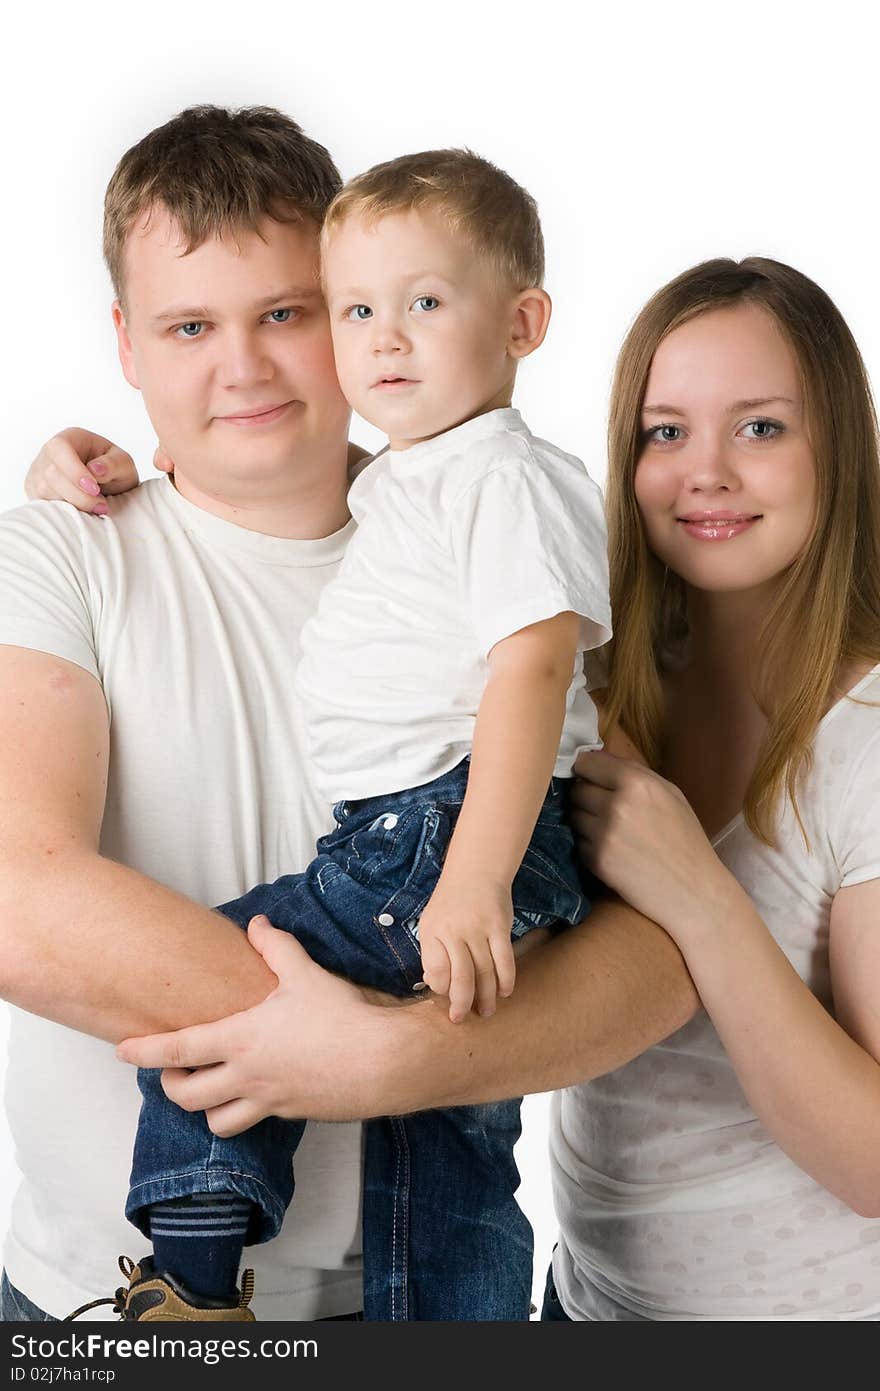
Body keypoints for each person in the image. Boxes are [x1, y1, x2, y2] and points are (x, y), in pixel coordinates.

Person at [5, 104, 698, 1323]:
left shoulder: (464, 537)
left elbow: (661, 944)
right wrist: (368, 1040)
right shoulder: (63, 550)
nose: (244, 365)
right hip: (97, 1306)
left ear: (346, 302)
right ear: (125, 344)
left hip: (406, 1298)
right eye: (188, 326)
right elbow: (17, 888)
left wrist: (401, 1058)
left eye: (286, 312)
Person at [112, 256, 880, 1319]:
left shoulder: (866, 745)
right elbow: (430, 495)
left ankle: (193, 1254)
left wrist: (699, 895)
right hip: (585, 1304)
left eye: (760, 427)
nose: (705, 470)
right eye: (665, 431)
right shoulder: (593, 681)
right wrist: (142, 473)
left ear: (838, 446)